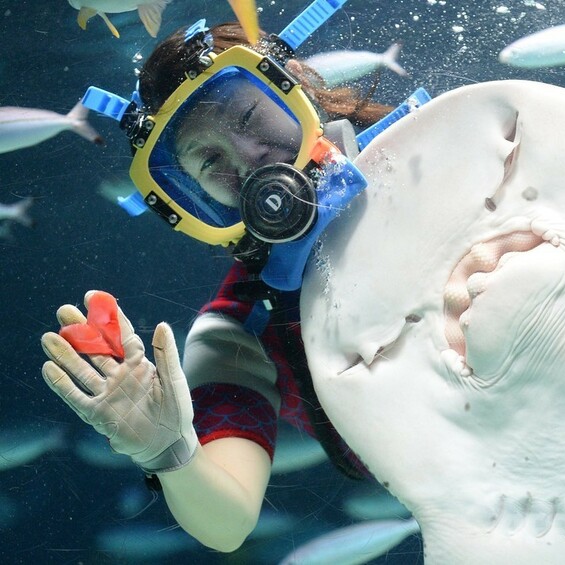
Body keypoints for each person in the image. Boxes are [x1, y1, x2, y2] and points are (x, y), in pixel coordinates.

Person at [39, 9, 417, 552]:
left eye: (247, 119)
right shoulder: (240, 329)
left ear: (298, 90)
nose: (248, 161)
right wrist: (166, 451)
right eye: (208, 159)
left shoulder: (460, 148)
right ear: (189, 199)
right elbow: (227, 521)